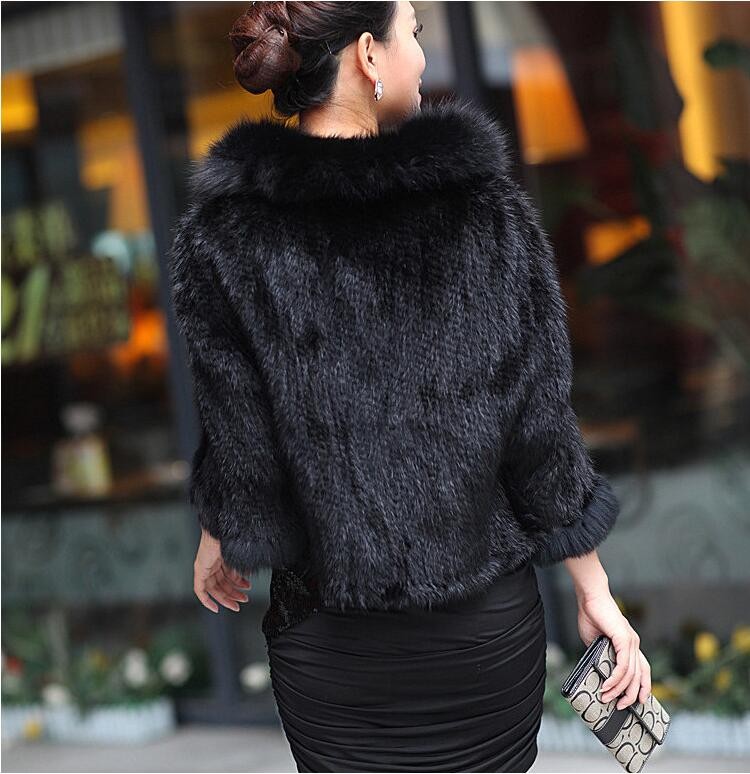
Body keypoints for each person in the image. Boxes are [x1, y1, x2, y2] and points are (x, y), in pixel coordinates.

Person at [167, 2, 651, 771]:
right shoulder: (485, 213)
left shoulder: (226, 236)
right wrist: (594, 591)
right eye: (414, 35)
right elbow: (541, 436)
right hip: (481, 636)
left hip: (331, 644)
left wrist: (219, 532)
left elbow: (241, 439)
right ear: (367, 53)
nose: (422, 58)